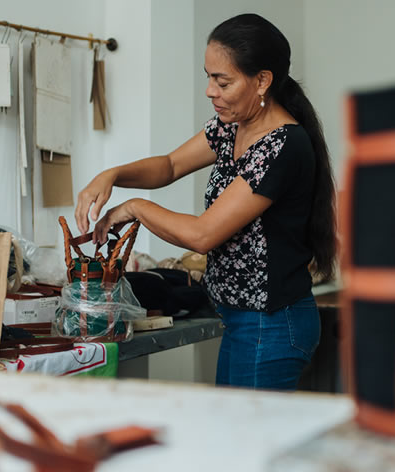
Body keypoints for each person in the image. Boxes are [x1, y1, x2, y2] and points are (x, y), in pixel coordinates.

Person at [75, 13, 337, 390]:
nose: (210, 91)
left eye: (223, 81)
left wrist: (135, 207)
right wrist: (111, 174)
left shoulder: (283, 145)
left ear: (262, 80)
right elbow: (168, 165)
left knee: (247, 444)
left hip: (271, 323)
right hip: (241, 320)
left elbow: (203, 234)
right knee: (232, 438)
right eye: (208, 77)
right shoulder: (232, 125)